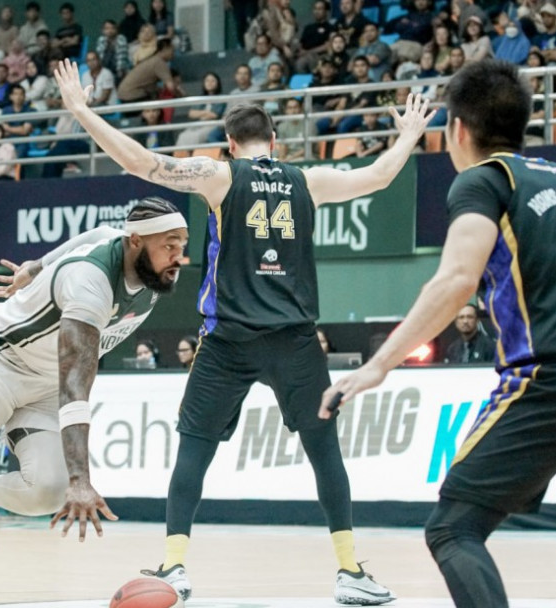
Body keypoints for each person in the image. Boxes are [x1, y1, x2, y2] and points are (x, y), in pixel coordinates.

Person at [54, 57, 435, 603]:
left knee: (194, 449)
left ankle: (175, 565)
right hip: (295, 340)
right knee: (325, 452)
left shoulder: (219, 175)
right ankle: (351, 571)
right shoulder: (308, 180)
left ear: (231, 142)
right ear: (274, 141)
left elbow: (142, 162)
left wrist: (83, 110)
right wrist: (409, 137)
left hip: (229, 338)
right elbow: (377, 176)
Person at [321, 59, 556, 608]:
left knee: (453, 527)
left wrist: (379, 363)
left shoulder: (483, 180)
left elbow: (457, 277)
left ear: (457, 129)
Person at [0, 199, 189, 595]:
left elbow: (94, 233)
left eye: (182, 244)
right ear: (136, 241)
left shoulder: (143, 266)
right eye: (170, 244)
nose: (179, 255)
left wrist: (36, 267)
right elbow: (76, 385)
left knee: (46, 491)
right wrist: (81, 478)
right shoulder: (89, 281)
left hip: (42, 387)